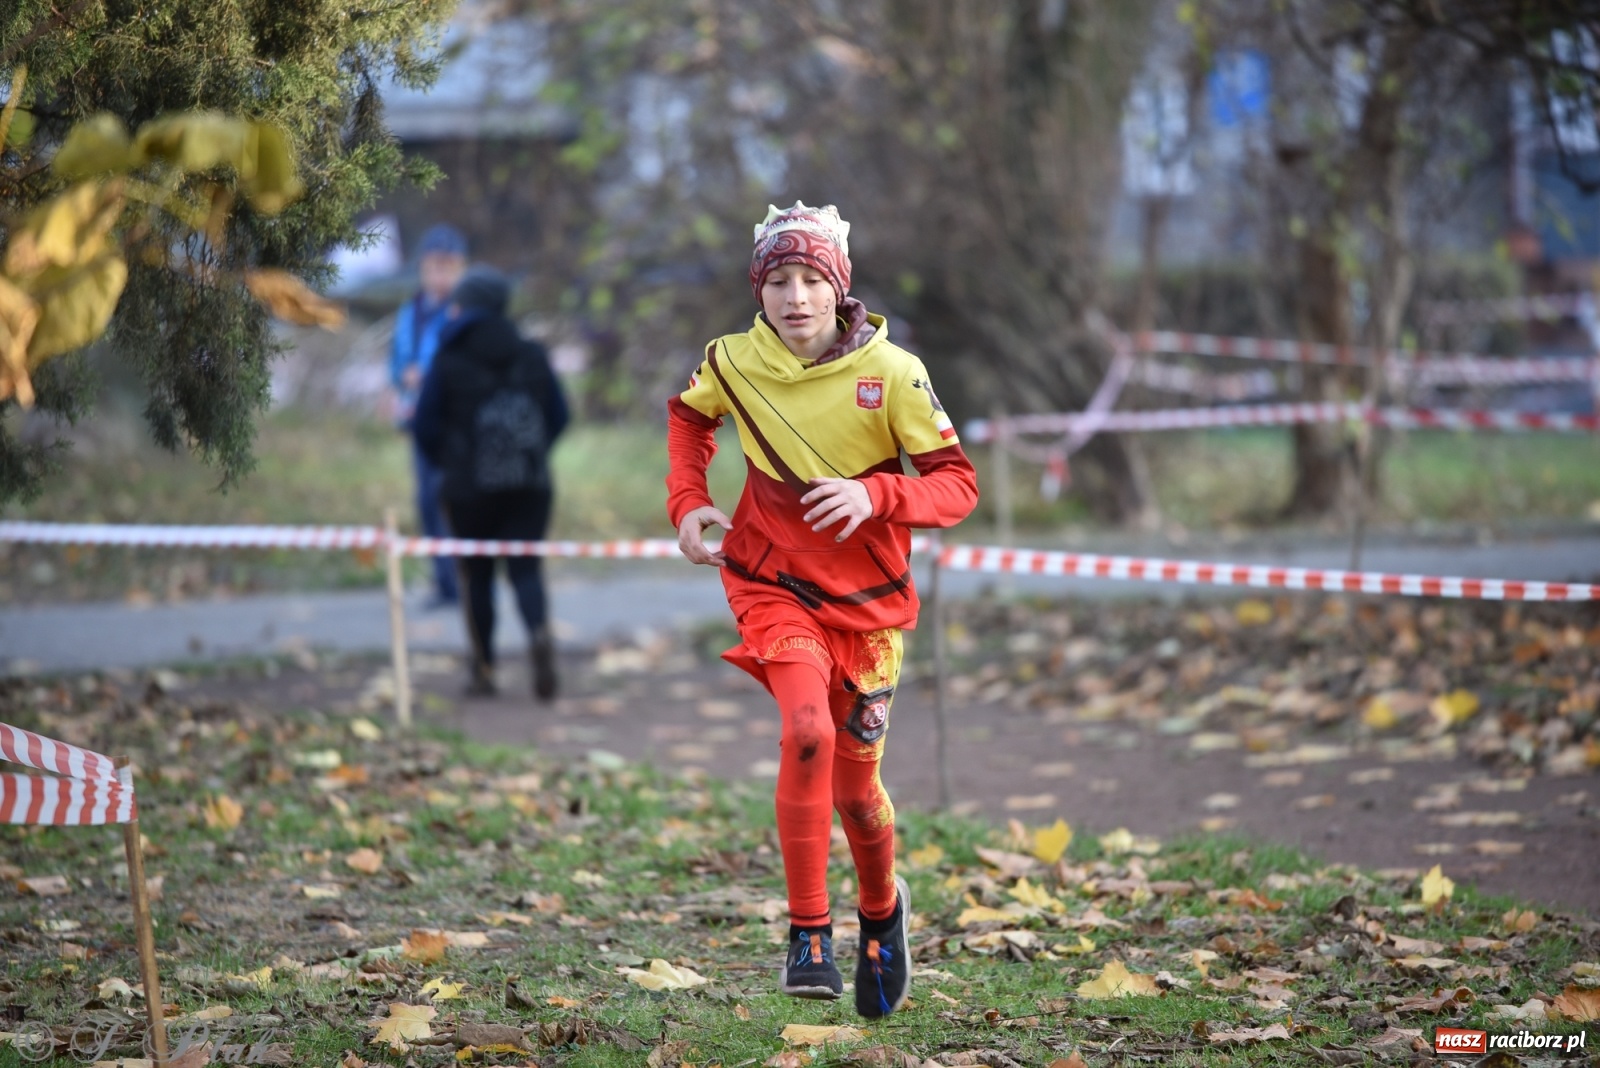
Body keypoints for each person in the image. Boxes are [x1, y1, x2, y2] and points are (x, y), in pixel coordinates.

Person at [665, 202, 978, 1017]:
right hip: (769, 580)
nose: (795, 297)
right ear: (758, 289)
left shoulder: (895, 372)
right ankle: (808, 932)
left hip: (870, 608)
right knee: (805, 730)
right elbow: (689, 420)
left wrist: (877, 494)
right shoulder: (731, 362)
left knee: (857, 792)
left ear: (838, 287)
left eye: (811, 279)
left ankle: (881, 910)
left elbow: (957, 485)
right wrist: (688, 501)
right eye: (778, 280)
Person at [413, 267, 569, 700]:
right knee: (525, 568)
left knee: (476, 575)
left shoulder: (448, 358)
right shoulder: (532, 353)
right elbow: (559, 416)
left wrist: (451, 462)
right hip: (530, 485)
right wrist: (531, 456)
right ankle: (538, 633)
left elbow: (425, 426)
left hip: (469, 488)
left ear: (468, 306)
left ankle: (483, 670)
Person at [390, 223, 469, 609]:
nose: (441, 274)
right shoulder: (411, 311)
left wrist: (433, 374)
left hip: (453, 425)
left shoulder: (464, 313)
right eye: (435, 266)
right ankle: (444, 583)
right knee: (425, 502)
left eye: (449, 266)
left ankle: (464, 582)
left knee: (450, 502)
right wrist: (401, 378)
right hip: (419, 421)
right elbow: (397, 359)